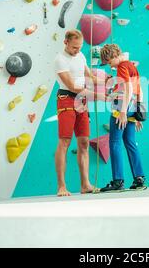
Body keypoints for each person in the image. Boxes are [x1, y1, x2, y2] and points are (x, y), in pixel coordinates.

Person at [53, 29, 103, 197]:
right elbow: (73, 86)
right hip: (67, 99)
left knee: (84, 143)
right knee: (65, 142)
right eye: (74, 47)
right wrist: (98, 96)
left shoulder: (81, 56)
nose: (77, 50)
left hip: (81, 100)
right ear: (65, 42)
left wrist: (109, 80)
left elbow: (90, 77)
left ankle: (85, 185)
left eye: (80, 47)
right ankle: (61, 186)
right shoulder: (60, 59)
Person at [98, 44, 147, 192]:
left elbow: (129, 89)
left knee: (115, 142)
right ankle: (139, 179)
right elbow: (139, 90)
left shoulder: (122, 67)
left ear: (112, 56)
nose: (110, 65)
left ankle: (118, 181)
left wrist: (123, 112)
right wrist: (137, 112)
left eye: (109, 62)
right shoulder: (132, 66)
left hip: (122, 108)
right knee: (130, 142)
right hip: (132, 108)